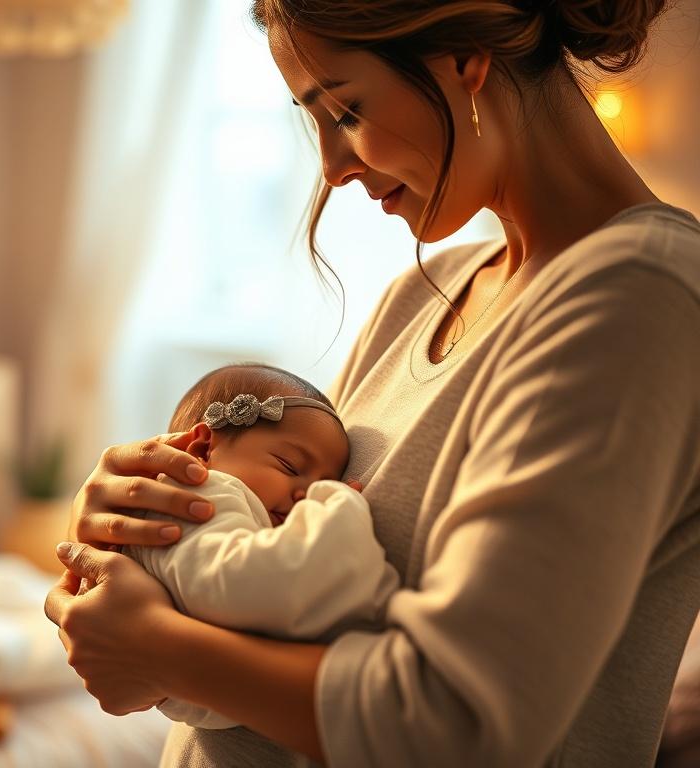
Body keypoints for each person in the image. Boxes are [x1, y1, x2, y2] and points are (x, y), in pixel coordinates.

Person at [45, 1, 700, 766]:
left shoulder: (638, 296)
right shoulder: (421, 297)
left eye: (347, 112)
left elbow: (458, 724)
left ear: (465, 56)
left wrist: (157, 649)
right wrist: (136, 534)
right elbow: (275, 588)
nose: (332, 169)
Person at [121, 363, 398, 731]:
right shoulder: (197, 494)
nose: (307, 495)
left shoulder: (231, 517)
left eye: (326, 481)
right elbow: (253, 583)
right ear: (203, 448)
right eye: (289, 466)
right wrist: (338, 507)